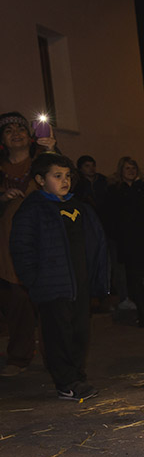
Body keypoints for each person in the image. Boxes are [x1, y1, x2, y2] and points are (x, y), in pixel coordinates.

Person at [10, 153, 108, 400]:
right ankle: (66, 381)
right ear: (40, 180)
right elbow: (22, 248)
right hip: (52, 286)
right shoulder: (33, 210)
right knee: (58, 335)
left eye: (67, 176)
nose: (64, 181)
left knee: (79, 333)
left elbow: (94, 246)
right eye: (57, 176)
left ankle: (77, 374)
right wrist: (34, 281)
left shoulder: (79, 208)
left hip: (79, 284)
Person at [0, 112, 57, 377]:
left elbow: (65, 187)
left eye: (20, 128)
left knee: (50, 305)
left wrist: (52, 150)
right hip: (8, 251)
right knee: (17, 304)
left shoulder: (42, 163)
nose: (15, 133)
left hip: (43, 247)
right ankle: (19, 357)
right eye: (8, 130)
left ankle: (57, 359)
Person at [106, 157, 144, 327]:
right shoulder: (115, 191)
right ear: (121, 171)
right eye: (127, 168)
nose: (131, 171)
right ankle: (143, 316)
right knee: (135, 281)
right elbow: (112, 219)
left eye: (133, 168)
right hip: (129, 243)